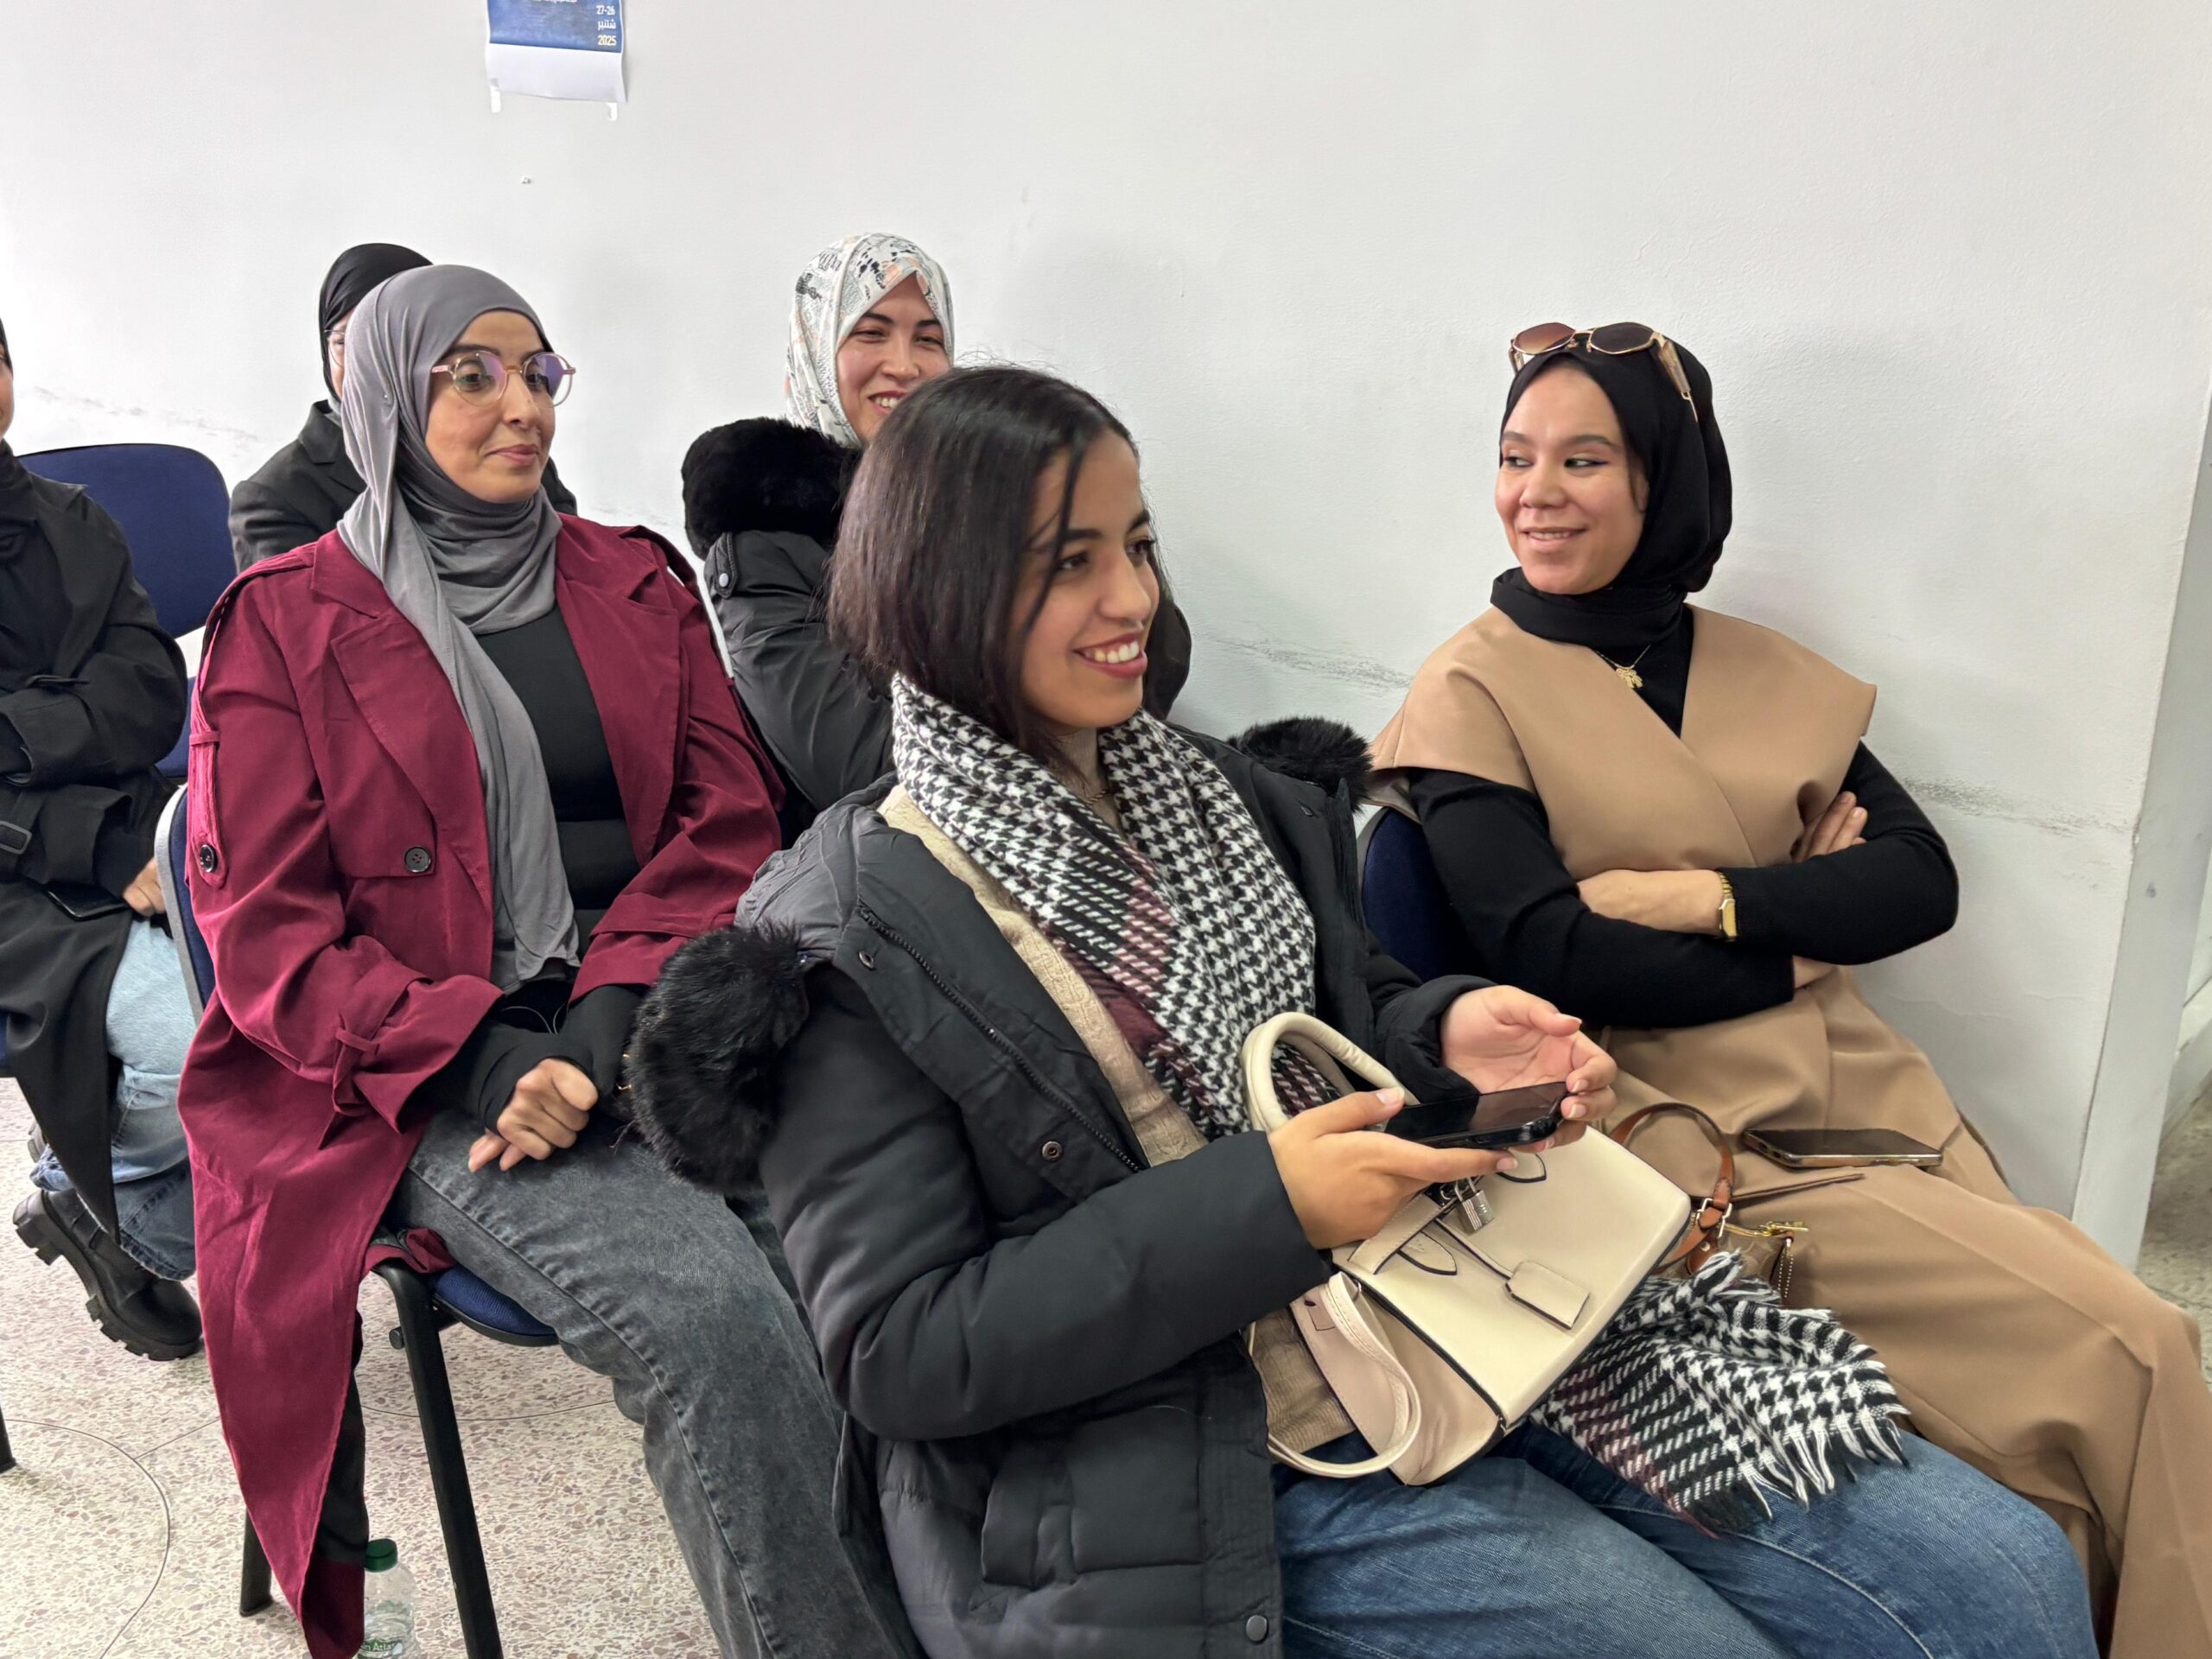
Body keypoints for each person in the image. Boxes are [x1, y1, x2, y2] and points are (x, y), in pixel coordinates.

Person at [626, 365, 2095, 1659]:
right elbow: (902, 1350)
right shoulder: (849, 935)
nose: (1133, 600)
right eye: (1070, 562)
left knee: (2001, 1574)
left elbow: (1345, 1008)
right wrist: (1269, 1206)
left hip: (1463, 1298)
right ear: (937, 581)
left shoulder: (1215, 794)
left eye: (1138, 546)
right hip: (1191, 1447)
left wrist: (1443, 1030)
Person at [1369, 323, 2212, 1657]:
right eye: (1516, 457)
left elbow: (1919, 883)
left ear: (1664, 482)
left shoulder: (1754, 668)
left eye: (1583, 459)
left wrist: (1700, 897)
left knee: (2054, 1453)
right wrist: (1810, 910)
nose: (1537, 493)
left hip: (1872, 1099)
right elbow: (1558, 955)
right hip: (1698, 1145)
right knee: (2143, 1348)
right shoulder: (1470, 692)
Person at [179, 265, 893, 1659]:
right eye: (473, 376)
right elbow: (268, 938)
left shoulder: (632, 578)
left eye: (541, 373)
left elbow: (726, 822)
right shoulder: (283, 621)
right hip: (419, 1081)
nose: (524, 407)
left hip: (646, 1020)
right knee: (714, 1321)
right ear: (386, 400)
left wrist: (614, 1009)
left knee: (878, 1245)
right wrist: (491, 1051)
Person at [680, 232, 1194, 830]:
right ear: (814, 350)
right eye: (870, 334)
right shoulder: (764, 542)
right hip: (899, 856)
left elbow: (1156, 659)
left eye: (928, 339)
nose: (905, 365)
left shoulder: (989, 490)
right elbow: (862, 769)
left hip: (1095, 814)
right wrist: (1064, 707)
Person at [0, 313, 201, 1361]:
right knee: (197, 1046)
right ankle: (91, 1195)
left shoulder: (70, 518)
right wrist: (90, 838)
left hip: (128, 817)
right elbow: (108, 700)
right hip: (23, 877)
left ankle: (91, 1175)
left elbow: (151, 689)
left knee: (303, 994)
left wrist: (20, 727)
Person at [227, 242, 577, 570]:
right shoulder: (277, 497)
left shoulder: (506, 450)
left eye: (397, 341)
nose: (375, 363)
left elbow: (575, 571)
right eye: (350, 341)